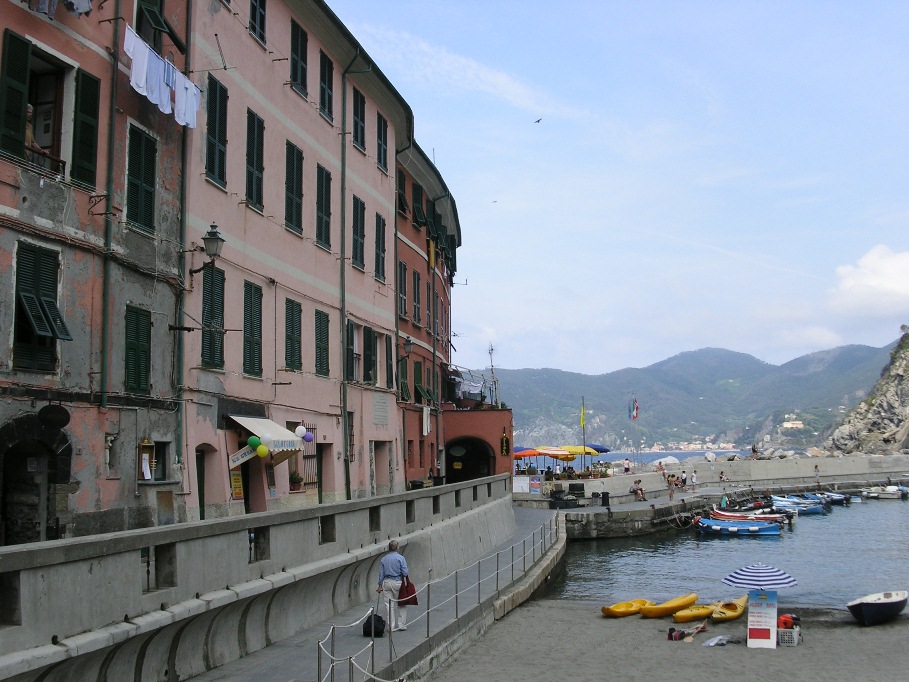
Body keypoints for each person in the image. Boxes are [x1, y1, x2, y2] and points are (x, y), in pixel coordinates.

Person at [377, 539, 409, 631]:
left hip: (386, 583)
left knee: (389, 605)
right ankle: (401, 624)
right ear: (397, 548)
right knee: (401, 603)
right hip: (398, 582)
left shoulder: (384, 559)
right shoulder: (400, 558)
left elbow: (381, 574)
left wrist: (380, 585)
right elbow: (405, 572)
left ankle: (391, 626)